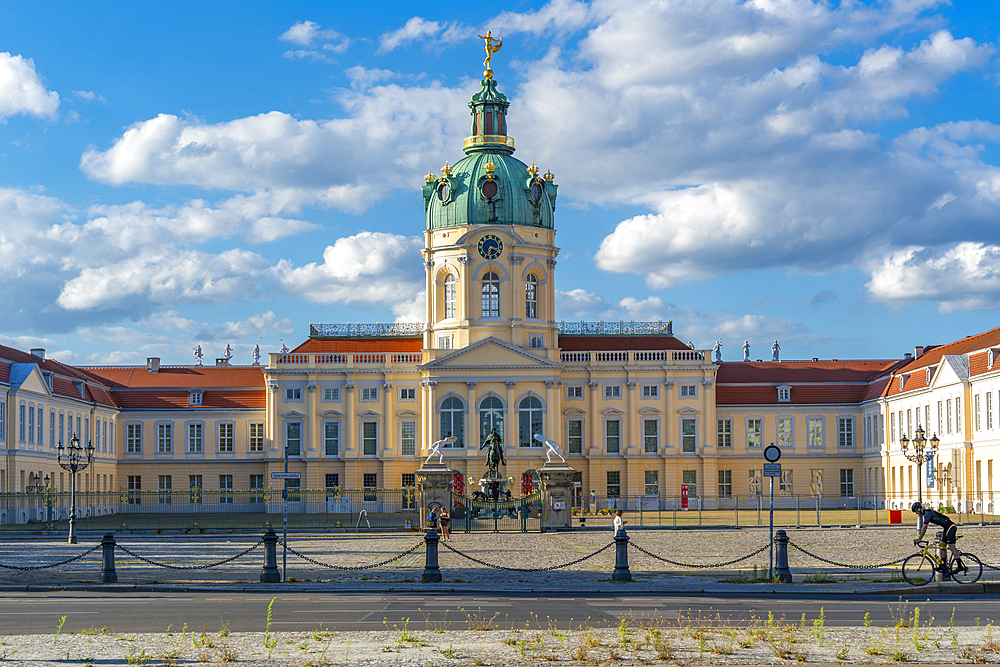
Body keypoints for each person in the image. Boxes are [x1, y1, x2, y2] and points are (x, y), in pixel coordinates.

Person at [911, 501, 964, 572]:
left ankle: (960, 566)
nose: (916, 513)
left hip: (951, 526)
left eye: (915, 511)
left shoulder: (927, 513)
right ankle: (943, 565)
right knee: (941, 545)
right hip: (946, 527)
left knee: (951, 546)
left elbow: (924, 527)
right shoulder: (926, 513)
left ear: (919, 509)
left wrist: (919, 539)